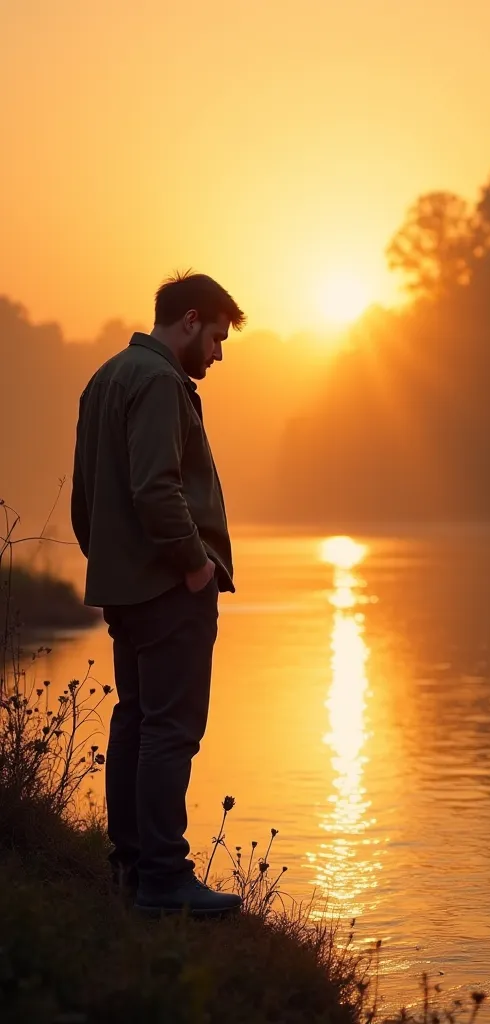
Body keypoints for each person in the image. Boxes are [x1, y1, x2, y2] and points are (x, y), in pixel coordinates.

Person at [70, 272, 245, 917]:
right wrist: (195, 565)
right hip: (170, 589)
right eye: (218, 338)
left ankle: (133, 869)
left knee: (137, 723)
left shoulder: (105, 378)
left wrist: (112, 564)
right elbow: (155, 488)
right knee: (171, 731)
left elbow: (85, 500)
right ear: (192, 320)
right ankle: (165, 881)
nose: (219, 354)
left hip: (127, 590)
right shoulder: (160, 382)